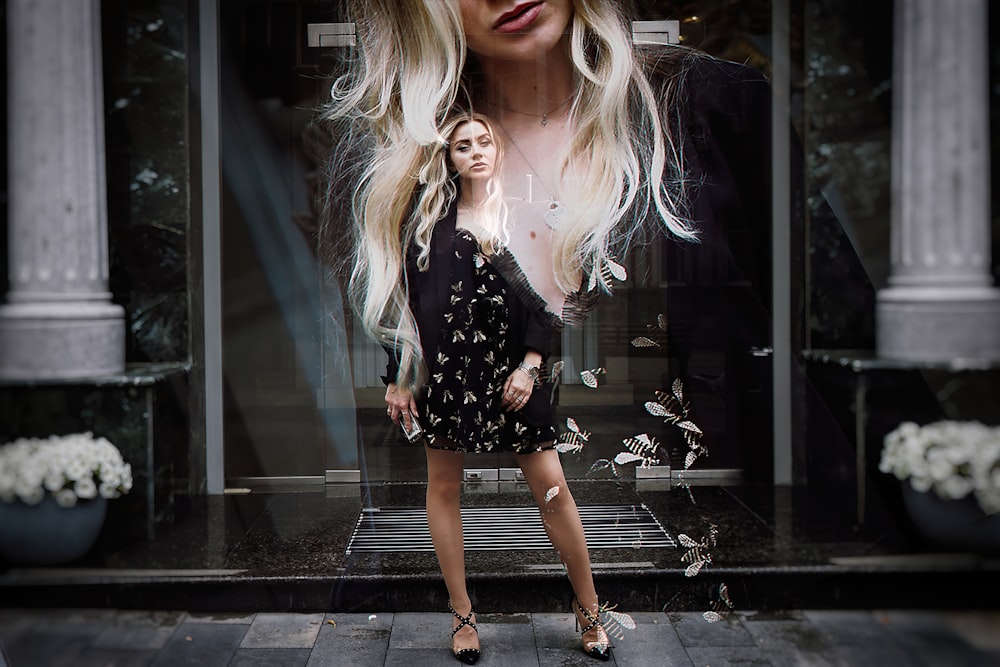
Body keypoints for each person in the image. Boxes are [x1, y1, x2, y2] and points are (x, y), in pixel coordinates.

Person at [317, 0, 774, 662]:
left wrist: (529, 364)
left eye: (482, 145)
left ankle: (589, 613)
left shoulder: (706, 110)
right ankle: (464, 618)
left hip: (663, 522)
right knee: (444, 489)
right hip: (456, 385)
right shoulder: (414, 195)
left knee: (552, 488)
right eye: (464, 146)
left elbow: (792, 353)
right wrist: (399, 374)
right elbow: (412, 306)